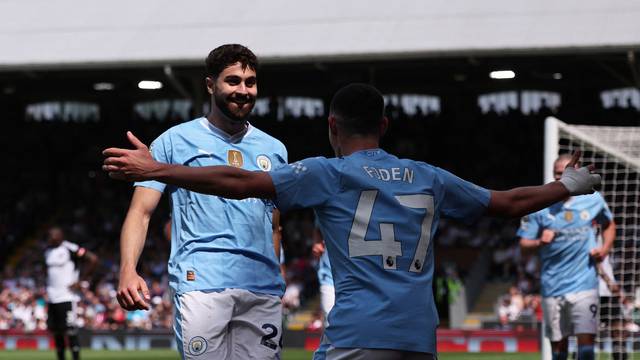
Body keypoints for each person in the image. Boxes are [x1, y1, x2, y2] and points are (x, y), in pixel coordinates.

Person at [103, 83, 601, 359]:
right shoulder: (428, 177)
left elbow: (237, 184)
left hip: (358, 337)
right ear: (384, 125)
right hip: (419, 339)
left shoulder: (328, 173)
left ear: (332, 127)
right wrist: (568, 186)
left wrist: (158, 170)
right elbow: (509, 202)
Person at [115, 44, 287, 359]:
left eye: (250, 82)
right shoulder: (173, 141)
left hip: (262, 288)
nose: (243, 90)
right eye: (233, 81)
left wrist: (278, 272)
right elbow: (140, 213)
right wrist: (128, 269)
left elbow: (275, 224)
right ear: (210, 85)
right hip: (201, 283)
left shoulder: (275, 149)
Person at [518, 154, 616, 360]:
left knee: (587, 345)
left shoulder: (593, 199)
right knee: (559, 349)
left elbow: (609, 224)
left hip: (585, 284)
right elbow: (524, 246)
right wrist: (539, 242)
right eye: (557, 174)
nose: (561, 178)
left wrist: (605, 248)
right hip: (552, 286)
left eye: (565, 173)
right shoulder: (540, 205)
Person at [44, 226, 98, 360]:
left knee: (70, 331)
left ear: (61, 236)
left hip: (66, 296)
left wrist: (81, 280)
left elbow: (93, 259)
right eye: (49, 235)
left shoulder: (70, 248)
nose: (50, 237)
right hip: (52, 297)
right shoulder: (47, 252)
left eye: (53, 234)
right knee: (57, 332)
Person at [311, 226, 334, 327]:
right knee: (331, 324)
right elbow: (317, 227)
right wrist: (317, 242)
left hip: (354, 281)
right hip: (329, 278)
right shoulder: (324, 210)